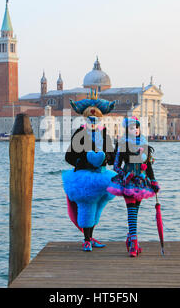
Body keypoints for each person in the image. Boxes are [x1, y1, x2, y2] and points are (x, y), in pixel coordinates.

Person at [62, 91, 117, 252]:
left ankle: (91, 237)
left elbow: (112, 156)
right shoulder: (80, 134)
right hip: (84, 177)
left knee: (97, 208)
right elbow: (69, 156)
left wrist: (107, 158)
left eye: (96, 119)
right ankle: (86, 239)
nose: (93, 121)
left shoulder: (104, 135)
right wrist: (84, 160)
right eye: (90, 119)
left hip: (101, 176)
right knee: (87, 207)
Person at [107, 116, 160, 257]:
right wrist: (125, 174)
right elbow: (116, 166)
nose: (135, 130)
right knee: (131, 210)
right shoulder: (122, 145)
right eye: (131, 128)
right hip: (128, 182)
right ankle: (134, 244)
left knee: (135, 211)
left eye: (137, 127)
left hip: (142, 183)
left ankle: (130, 238)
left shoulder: (144, 144)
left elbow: (148, 166)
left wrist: (154, 181)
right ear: (127, 130)